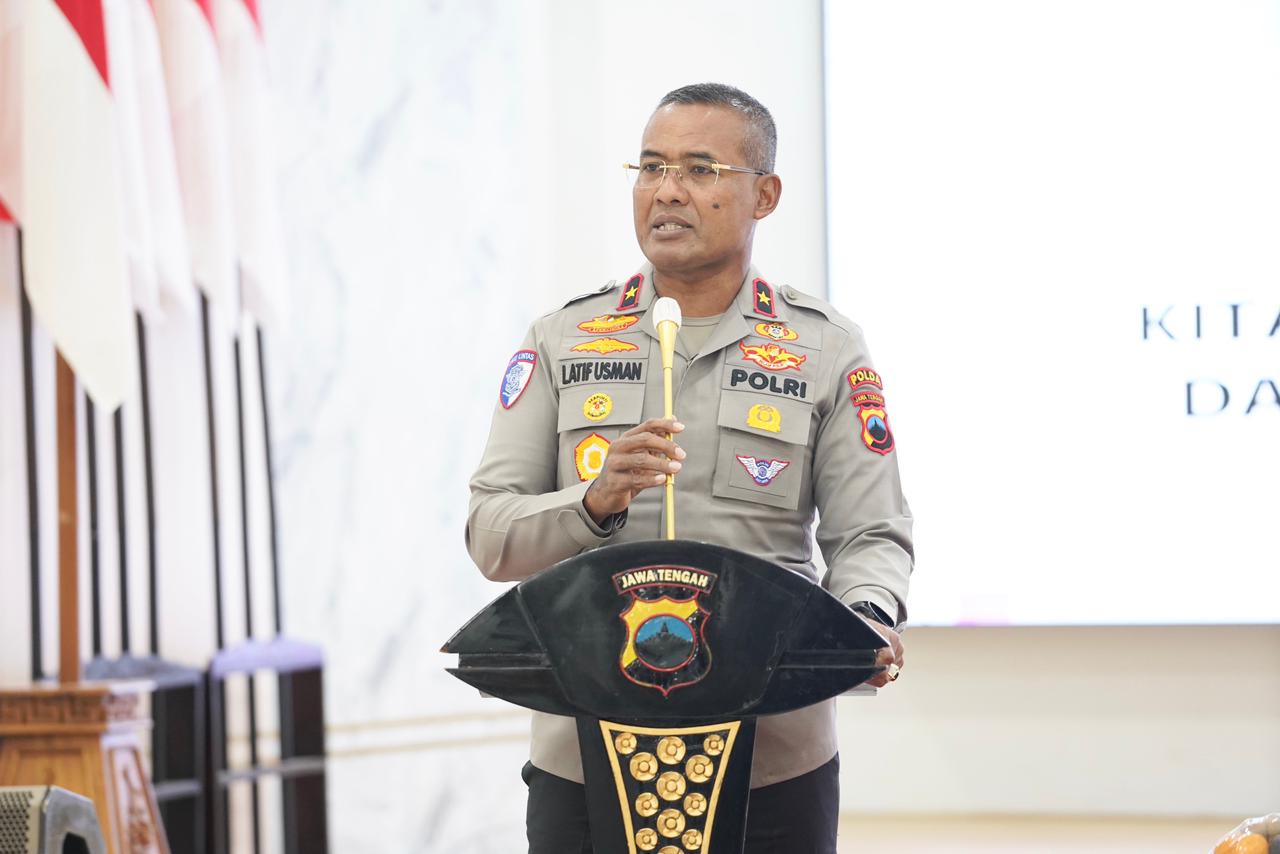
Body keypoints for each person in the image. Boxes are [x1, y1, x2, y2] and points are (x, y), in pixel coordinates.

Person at [466, 82, 913, 854]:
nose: (667, 191)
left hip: (774, 758)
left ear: (763, 194)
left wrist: (865, 617)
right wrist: (592, 503)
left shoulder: (825, 348)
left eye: (701, 169)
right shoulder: (563, 338)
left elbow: (870, 531)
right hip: (585, 753)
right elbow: (491, 534)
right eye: (650, 167)